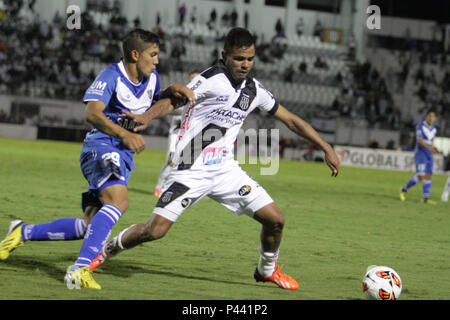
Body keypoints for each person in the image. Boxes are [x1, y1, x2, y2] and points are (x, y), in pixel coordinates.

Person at [89, 28, 340, 291]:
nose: (245, 65)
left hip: (225, 171)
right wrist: (147, 117)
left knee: (275, 219)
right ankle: (107, 249)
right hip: (190, 170)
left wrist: (325, 147)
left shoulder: (254, 90)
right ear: (225, 55)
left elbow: (291, 121)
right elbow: (176, 100)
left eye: (250, 59)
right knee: (154, 231)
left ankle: (266, 270)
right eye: (239, 59)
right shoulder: (210, 79)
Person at [0, 29, 194, 290]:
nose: (157, 60)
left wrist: (173, 90)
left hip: (122, 154)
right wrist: (124, 134)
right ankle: (80, 269)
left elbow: (152, 102)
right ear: (135, 55)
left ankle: (22, 232)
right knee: (119, 201)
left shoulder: (152, 78)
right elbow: (92, 114)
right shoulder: (111, 76)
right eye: (153, 54)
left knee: (90, 226)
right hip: (101, 147)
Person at [154, 69, 201, 197]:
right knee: (172, 160)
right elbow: (171, 110)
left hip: (189, 135)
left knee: (187, 163)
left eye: (197, 79)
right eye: (192, 79)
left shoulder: (202, 98)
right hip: (176, 133)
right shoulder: (181, 96)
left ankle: (174, 188)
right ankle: (160, 186)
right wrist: (185, 111)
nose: (193, 81)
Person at [400, 110, 438, 204]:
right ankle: (403, 190)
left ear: (435, 118)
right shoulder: (420, 126)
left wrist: (433, 148)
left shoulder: (434, 129)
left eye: (433, 116)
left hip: (429, 154)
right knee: (421, 175)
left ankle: (425, 198)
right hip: (421, 153)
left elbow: (431, 141)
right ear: (426, 117)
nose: (431, 118)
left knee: (428, 175)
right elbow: (420, 140)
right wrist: (430, 148)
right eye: (429, 116)